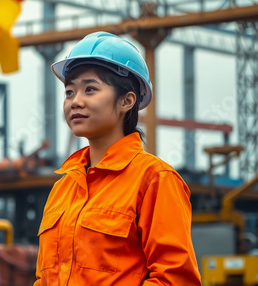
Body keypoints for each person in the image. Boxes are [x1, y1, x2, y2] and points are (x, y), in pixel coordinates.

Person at [34, 32, 201, 286]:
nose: (75, 101)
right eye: (69, 92)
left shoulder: (155, 180)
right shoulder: (62, 189)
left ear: (127, 100)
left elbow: (175, 280)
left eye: (90, 89)